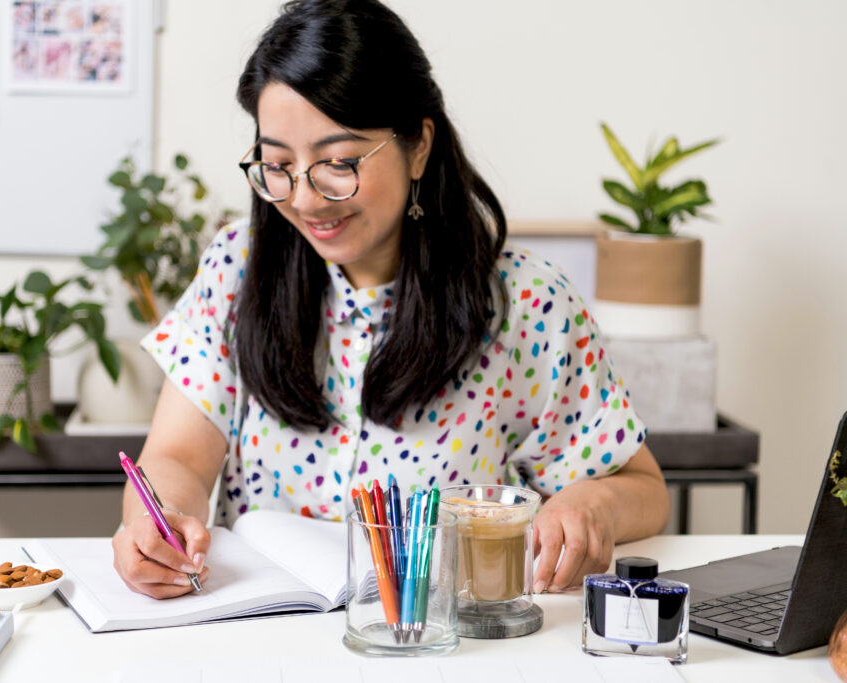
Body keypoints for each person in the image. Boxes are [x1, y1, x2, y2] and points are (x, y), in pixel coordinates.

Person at [112, 0, 669, 600]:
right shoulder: (237, 269)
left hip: (437, 644)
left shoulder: (523, 301)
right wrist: (156, 518)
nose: (305, 198)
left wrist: (591, 504)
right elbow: (178, 459)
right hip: (261, 635)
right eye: (278, 165)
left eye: (338, 163)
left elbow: (643, 487)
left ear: (418, 145)